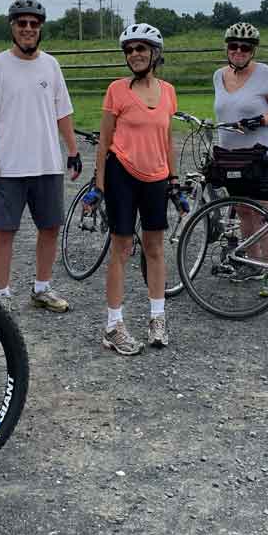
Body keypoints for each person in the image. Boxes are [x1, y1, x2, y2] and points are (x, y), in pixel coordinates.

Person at [0, 0, 81, 312]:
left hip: (46, 163)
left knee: (49, 227)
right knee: (4, 231)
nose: (28, 29)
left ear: (40, 29)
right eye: (22, 23)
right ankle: (2, 294)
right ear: (12, 27)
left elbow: (62, 111)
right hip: (8, 166)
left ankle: (42, 288)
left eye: (34, 24)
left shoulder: (51, 65)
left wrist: (73, 150)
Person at [88, 23, 178, 354]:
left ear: (155, 53)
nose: (134, 55)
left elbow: (167, 138)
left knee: (155, 247)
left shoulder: (168, 91)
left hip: (156, 176)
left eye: (141, 49)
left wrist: (174, 178)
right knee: (122, 248)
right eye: (129, 50)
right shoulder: (116, 90)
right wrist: (99, 184)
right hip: (121, 172)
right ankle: (113, 325)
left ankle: (157, 317)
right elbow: (105, 139)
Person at [212, 22, 268, 293]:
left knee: (265, 213)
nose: (238, 51)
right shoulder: (218, 76)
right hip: (233, 157)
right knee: (245, 211)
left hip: (264, 156)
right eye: (233, 46)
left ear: (253, 50)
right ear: (227, 47)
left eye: (244, 47)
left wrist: (259, 120)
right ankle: (254, 263)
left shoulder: (267, 75)